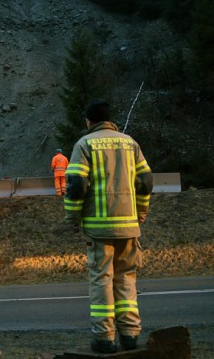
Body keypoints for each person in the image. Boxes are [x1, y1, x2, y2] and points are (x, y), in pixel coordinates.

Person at [64, 99, 153, 353]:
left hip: (99, 229)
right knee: (126, 279)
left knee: (102, 280)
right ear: (109, 120)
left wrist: (73, 218)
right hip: (129, 227)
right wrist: (142, 211)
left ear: (89, 121)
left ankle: (104, 338)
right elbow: (146, 180)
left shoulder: (84, 144)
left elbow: (76, 185)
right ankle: (130, 335)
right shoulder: (130, 143)